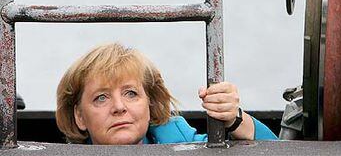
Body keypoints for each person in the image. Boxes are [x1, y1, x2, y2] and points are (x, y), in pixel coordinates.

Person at [56, 43, 278, 144]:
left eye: (131, 93)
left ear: (150, 104)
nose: (119, 107)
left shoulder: (177, 137)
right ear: (79, 116)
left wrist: (235, 118)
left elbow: (278, 152)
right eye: (101, 97)